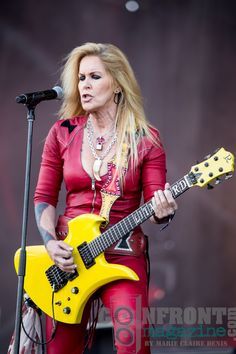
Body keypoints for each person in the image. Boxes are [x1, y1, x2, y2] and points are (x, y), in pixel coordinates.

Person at [33, 42, 178, 354]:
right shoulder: (62, 132)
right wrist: (49, 242)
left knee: (132, 339)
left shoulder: (146, 139)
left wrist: (163, 210)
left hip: (122, 253)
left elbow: (156, 204)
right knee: (61, 348)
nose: (84, 85)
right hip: (69, 257)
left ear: (117, 83)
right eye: (81, 77)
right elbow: (44, 197)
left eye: (94, 77)